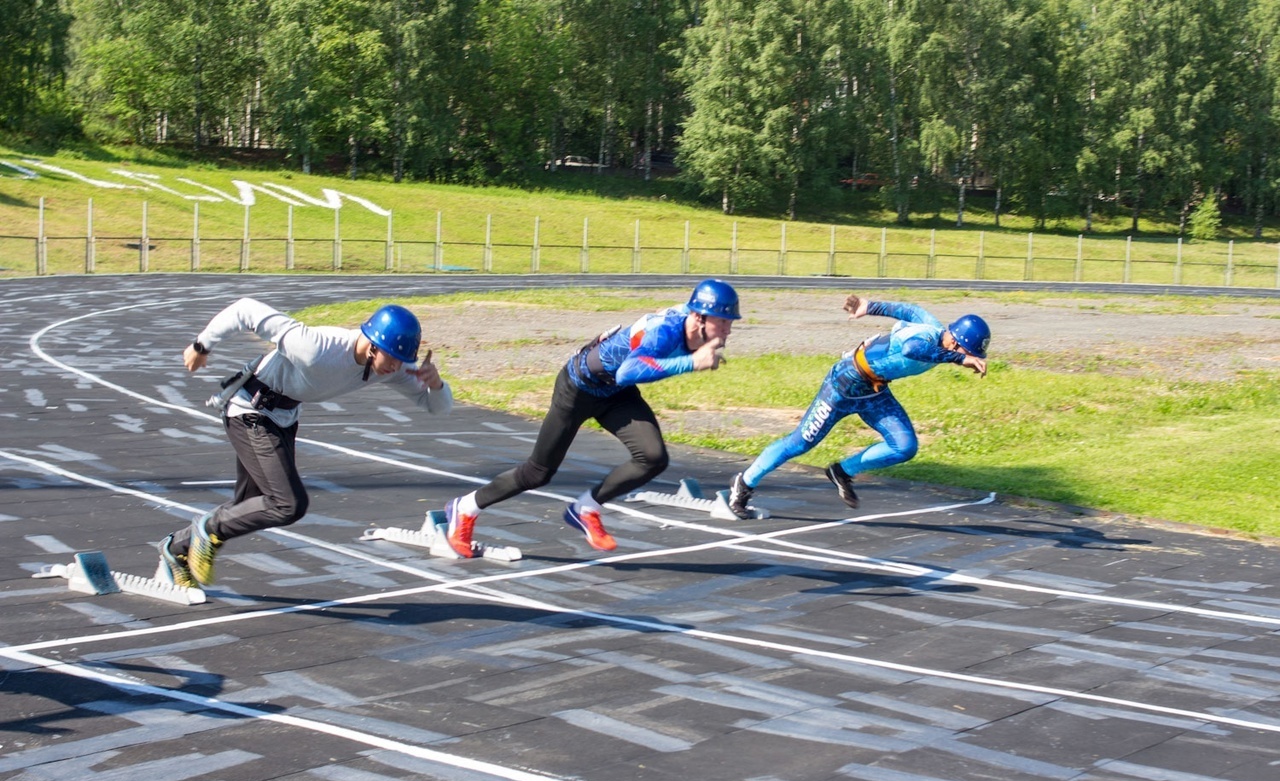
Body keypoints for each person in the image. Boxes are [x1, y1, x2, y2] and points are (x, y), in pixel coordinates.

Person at [159, 299, 453, 587]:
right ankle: (206, 529)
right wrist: (201, 345)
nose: (398, 367)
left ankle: (175, 550)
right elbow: (244, 309)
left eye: (404, 361)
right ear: (373, 344)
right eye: (393, 357)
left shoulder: (390, 367)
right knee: (287, 504)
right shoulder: (316, 346)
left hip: (282, 419)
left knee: (248, 508)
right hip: (250, 410)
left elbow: (437, 407)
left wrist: (436, 385)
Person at [444, 279, 741, 557]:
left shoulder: (689, 323)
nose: (728, 330)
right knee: (537, 473)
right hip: (578, 389)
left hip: (614, 393)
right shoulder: (666, 330)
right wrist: (691, 362)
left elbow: (626, 372)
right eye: (724, 322)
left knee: (653, 457)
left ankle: (585, 509)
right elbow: (628, 370)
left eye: (730, 322)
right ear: (699, 317)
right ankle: (466, 508)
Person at [727, 294, 989, 518]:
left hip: (873, 392)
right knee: (800, 443)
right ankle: (744, 482)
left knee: (905, 446)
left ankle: (842, 472)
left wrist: (869, 306)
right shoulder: (926, 337)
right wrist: (957, 359)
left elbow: (908, 309)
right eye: (971, 354)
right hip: (842, 385)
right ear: (956, 344)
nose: (971, 361)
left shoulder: (934, 329)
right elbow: (911, 349)